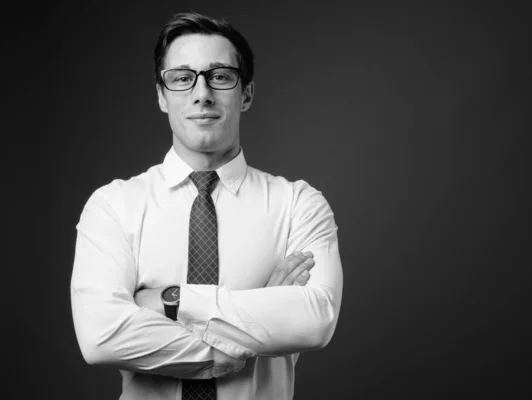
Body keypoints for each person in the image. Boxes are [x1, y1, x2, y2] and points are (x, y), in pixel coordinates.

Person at [70, 11, 343, 400]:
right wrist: (243, 339)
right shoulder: (113, 206)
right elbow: (102, 337)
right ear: (162, 96)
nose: (202, 93)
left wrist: (170, 301)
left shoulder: (298, 204)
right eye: (182, 79)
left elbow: (315, 320)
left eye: (220, 76)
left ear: (246, 93)